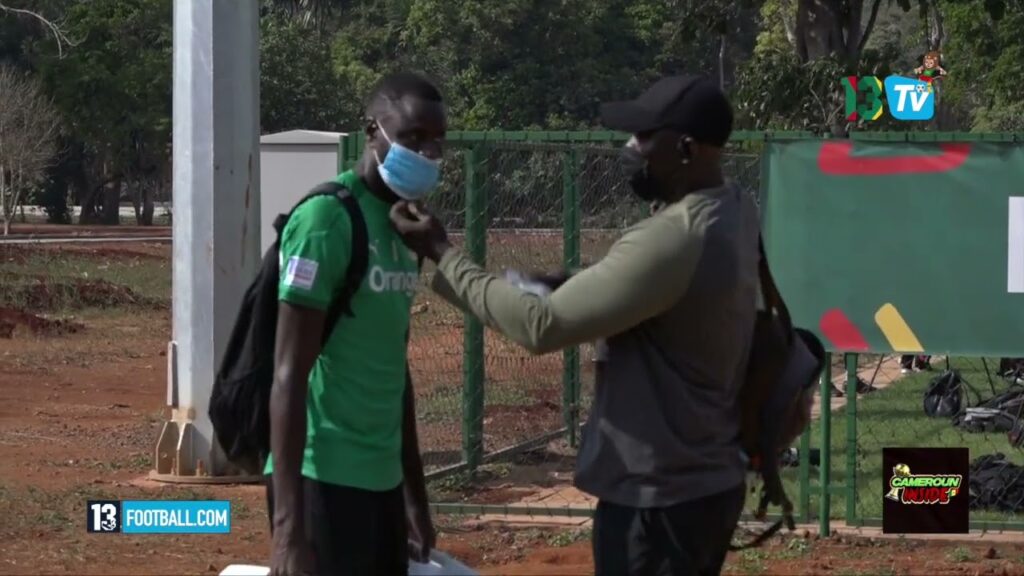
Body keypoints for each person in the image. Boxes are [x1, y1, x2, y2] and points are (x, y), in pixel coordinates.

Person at [391, 75, 759, 576]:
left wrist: (440, 252)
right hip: (706, 480)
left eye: (645, 138)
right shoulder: (734, 206)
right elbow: (667, 299)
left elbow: (540, 325)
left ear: (687, 148)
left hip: (659, 498)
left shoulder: (675, 235)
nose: (632, 149)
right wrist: (575, 282)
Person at [266, 71, 444, 576]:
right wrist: (288, 530)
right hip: (322, 478)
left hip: (382, 483)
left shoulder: (408, 228)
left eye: (436, 141)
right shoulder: (327, 220)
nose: (427, 152)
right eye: (412, 138)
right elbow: (287, 375)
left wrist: (415, 496)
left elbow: (394, 366)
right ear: (373, 132)